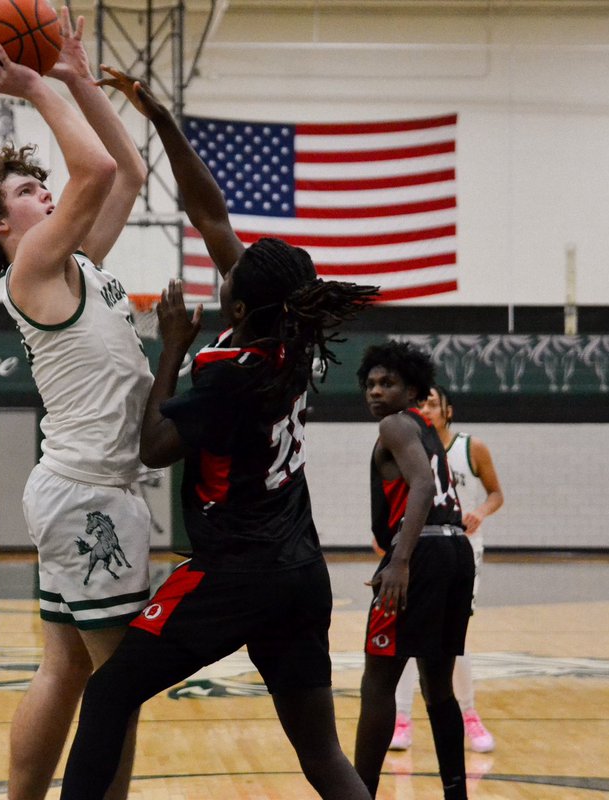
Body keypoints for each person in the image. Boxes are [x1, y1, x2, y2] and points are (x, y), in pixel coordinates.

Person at [57, 70, 379, 800]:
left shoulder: (231, 371)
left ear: (241, 299)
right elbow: (210, 214)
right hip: (301, 572)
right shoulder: (286, 343)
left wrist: (167, 343)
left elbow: (151, 448)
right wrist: (165, 121)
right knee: (323, 756)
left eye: (232, 269)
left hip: (237, 571)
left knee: (109, 694)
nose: (222, 263)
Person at [0, 11, 151, 800]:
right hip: (89, 493)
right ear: (3, 224)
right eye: (32, 191)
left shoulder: (79, 264)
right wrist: (33, 84)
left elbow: (124, 169)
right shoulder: (31, 265)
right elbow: (93, 172)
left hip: (80, 489)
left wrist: (75, 80)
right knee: (119, 686)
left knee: (63, 666)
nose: (50, 192)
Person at [352, 341, 476, 800]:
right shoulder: (426, 429)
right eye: (370, 384)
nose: (376, 392)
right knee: (438, 686)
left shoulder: (394, 425)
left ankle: (358, 793)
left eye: (388, 384)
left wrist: (400, 561)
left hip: (422, 555)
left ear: (412, 390)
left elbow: (422, 485)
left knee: (378, 682)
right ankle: (455, 793)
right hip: (455, 552)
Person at [389, 385, 503, 754]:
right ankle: (402, 718)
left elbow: (496, 493)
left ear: (448, 410)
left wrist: (480, 512)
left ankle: (470, 715)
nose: (426, 408)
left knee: (456, 638)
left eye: (433, 403)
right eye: (420, 402)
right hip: (418, 549)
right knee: (409, 635)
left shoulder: (472, 448)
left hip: (462, 550)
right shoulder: (408, 447)